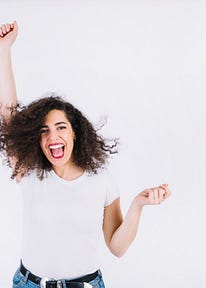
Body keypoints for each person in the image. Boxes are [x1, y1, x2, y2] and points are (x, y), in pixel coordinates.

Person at [0, 21, 171, 288]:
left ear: (75, 133)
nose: (52, 137)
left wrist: (137, 205)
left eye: (60, 128)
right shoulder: (30, 171)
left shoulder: (100, 179)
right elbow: (7, 116)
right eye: (44, 130)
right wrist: (4, 50)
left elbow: (117, 246)